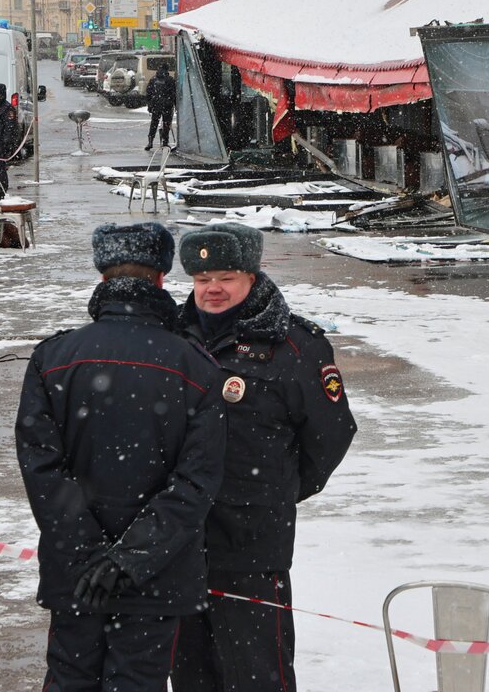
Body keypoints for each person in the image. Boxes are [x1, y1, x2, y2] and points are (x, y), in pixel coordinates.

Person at [17, 222, 227, 692]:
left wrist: (92, 555)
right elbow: (197, 480)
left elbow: (42, 469)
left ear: (102, 279)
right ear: (160, 279)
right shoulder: (194, 366)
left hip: (77, 573)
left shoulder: (55, 357)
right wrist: (129, 560)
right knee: (138, 682)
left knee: (70, 678)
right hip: (157, 576)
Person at [170, 223, 357, 692]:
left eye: (226, 276)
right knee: (191, 671)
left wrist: (275, 491)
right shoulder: (171, 337)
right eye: (202, 278)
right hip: (179, 536)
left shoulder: (295, 346)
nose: (212, 288)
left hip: (252, 541)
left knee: (257, 672)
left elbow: (330, 434)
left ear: (253, 276)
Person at [145, 61, 176, 151]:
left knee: (154, 123)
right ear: (167, 69)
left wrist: (150, 104)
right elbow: (173, 93)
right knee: (166, 124)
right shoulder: (170, 79)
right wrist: (175, 104)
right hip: (167, 106)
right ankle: (165, 142)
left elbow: (148, 92)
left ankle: (150, 142)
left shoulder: (153, 79)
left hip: (156, 105)